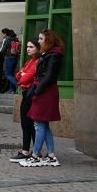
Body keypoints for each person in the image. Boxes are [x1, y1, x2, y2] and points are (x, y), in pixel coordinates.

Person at [20, 29, 64, 167]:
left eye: (40, 39)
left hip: (45, 91)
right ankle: (51, 155)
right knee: (43, 124)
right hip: (44, 90)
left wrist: (37, 90)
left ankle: (35, 156)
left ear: (48, 40)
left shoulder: (54, 55)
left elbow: (49, 76)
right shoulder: (49, 54)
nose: (38, 41)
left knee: (39, 124)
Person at [10, 39, 41, 163]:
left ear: (38, 48)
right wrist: (22, 75)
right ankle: (31, 151)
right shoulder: (30, 60)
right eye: (27, 47)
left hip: (31, 93)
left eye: (31, 47)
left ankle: (29, 151)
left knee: (29, 123)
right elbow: (18, 75)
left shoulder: (37, 61)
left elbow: (25, 77)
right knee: (27, 123)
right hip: (26, 93)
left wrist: (23, 76)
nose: (28, 49)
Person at [0, 28, 20, 93]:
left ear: (5, 34)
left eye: (2, 33)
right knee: (11, 74)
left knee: (8, 74)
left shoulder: (7, 40)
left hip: (9, 57)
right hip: (16, 57)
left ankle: (18, 85)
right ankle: (12, 90)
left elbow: (2, 50)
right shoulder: (16, 39)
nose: (2, 35)